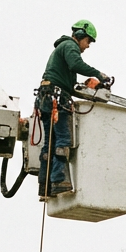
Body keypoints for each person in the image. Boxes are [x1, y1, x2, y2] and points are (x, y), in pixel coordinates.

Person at [36, 20, 111, 198]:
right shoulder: (70, 46)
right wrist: (98, 74)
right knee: (63, 140)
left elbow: (69, 86)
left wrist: (87, 90)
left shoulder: (61, 50)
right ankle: (59, 181)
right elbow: (76, 64)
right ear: (80, 36)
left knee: (49, 143)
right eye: (88, 41)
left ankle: (45, 185)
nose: (88, 46)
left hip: (46, 96)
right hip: (56, 98)